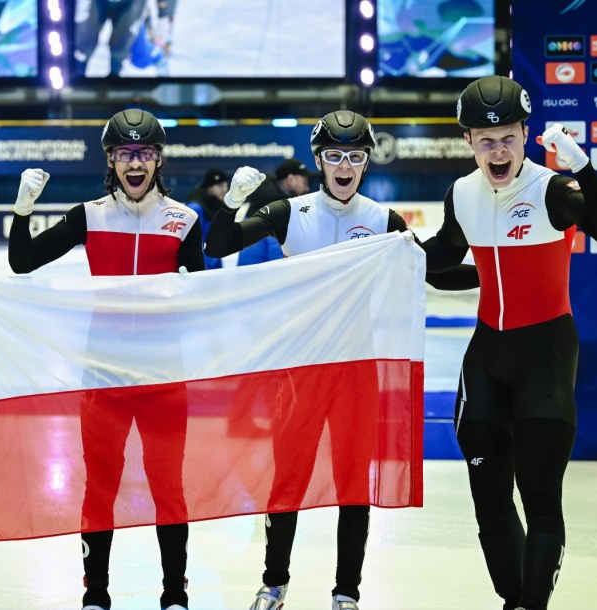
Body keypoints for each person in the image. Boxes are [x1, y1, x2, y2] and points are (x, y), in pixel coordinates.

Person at [205, 109, 478, 610]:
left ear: (367, 162)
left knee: (354, 486)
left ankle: (346, 592)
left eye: (355, 156)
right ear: (319, 161)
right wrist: (233, 205)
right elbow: (217, 245)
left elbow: (433, 274)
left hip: (356, 373)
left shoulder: (383, 221)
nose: (345, 165)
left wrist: (501, 270)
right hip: (301, 371)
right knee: (287, 482)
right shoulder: (291, 212)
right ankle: (274, 584)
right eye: (335, 156)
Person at [421, 75, 597, 610]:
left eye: (508, 138)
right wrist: (393, 252)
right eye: (486, 141)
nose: (498, 151)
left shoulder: (552, 190)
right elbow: (442, 260)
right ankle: (513, 601)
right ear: (467, 141)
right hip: (487, 357)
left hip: (546, 356)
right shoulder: (461, 193)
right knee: (488, 498)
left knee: (539, 497)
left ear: (525, 134)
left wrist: (581, 168)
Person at [7, 108, 204, 610]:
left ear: (159, 161)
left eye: (144, 154)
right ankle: (96, 592)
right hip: (102, 375)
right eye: (124, 154)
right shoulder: (89, 216)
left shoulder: (184, 221)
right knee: (100, 486)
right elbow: (22, 262)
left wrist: (190, 290)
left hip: (164, 375)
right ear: (110, 160)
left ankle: (174, 593)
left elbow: (203, 300)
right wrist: (23, 211)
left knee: (168, 487)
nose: (134, 163)